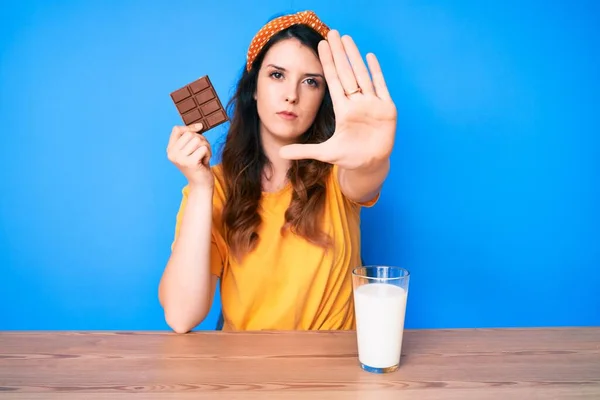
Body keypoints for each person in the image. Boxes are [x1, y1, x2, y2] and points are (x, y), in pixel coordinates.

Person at [159, 10, 397, 333]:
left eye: (310, 82)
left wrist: (373, 157)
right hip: (247, 376)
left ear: (323, 97)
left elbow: (365, 178)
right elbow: (180, 315)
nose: (291, 95)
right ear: (253, 87)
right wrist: (201, 188)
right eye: (276, 75)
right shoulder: (215, 187)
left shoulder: (340, 172)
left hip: (335, 377)